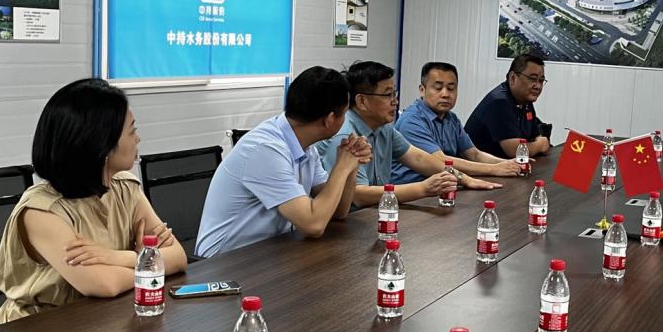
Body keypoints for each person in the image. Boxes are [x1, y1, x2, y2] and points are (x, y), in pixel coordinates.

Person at [0, 79, 188, 322]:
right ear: (102, 145)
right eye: (131, 131)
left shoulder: (125, 188)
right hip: (42, 329)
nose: (138, 139)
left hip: (105, 319)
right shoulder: (41, 212)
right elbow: (105, 284)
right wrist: (150, 263)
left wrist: (118, 257)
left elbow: (178, 257)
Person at [195, 66, 372, 258]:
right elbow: (313, 225)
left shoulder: (305, 145)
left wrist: (351, 163)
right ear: (329, 119)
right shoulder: (265, 149)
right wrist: (342, 167)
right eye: (344, 113)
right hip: (223, 263)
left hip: (270, 254)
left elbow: (338, 212)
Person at [318, 61, 499, 208]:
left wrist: (463, 179)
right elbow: (358, 196)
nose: (395, 101)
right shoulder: (344, 136)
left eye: (394, 93)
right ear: (362, 101)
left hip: (377, 212)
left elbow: (419, 158)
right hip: (346, 223)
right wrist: (423, 188)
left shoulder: (384, 128)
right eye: (388, 95)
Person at [392, 61, 522, 184]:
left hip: (444, 184)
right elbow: (440, 161)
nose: (445, 94)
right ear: (422, 90)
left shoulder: (451, 119)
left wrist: (509, 163)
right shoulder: (411, 121)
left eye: (451, 88)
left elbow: (473, 154)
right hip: (413, 191)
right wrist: (494, 169)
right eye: (438, 88)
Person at [465, 53, 553, 158]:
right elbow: (516, 151)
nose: (538, 86)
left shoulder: (525, 101)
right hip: (479, 165)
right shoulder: (499, 102)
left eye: (541, 80)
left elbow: (535, 135)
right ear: (513, 78)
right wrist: (539, 145)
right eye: (532, 79)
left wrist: (539, 141)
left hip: (504, 165)